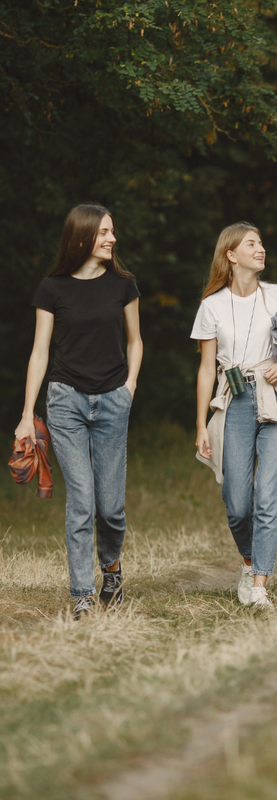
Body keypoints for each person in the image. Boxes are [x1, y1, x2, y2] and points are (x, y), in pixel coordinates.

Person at [14, 204, 143, 620]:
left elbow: (135, 341)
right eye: (105, 232)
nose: (112, 239)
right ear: (84, 237)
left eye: (112, 232)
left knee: (111, 507)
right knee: (82, 502)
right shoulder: (52, 288)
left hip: (112, 399)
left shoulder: (123, 284)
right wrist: (25, 413)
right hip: (66, 399)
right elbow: (39, 351)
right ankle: (82, 594)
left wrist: (130, 386)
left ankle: (111, 569)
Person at [192, 223, 277, 610]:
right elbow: (206, 370)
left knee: (267, 497)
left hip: (274, 401)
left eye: (262, 242)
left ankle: (261, 583)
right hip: (234, 402)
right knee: (236, 503)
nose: (261, 249)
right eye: (252, 244)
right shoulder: (211, 305)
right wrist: (200, 424)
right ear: (231, 255)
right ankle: (249, 562)